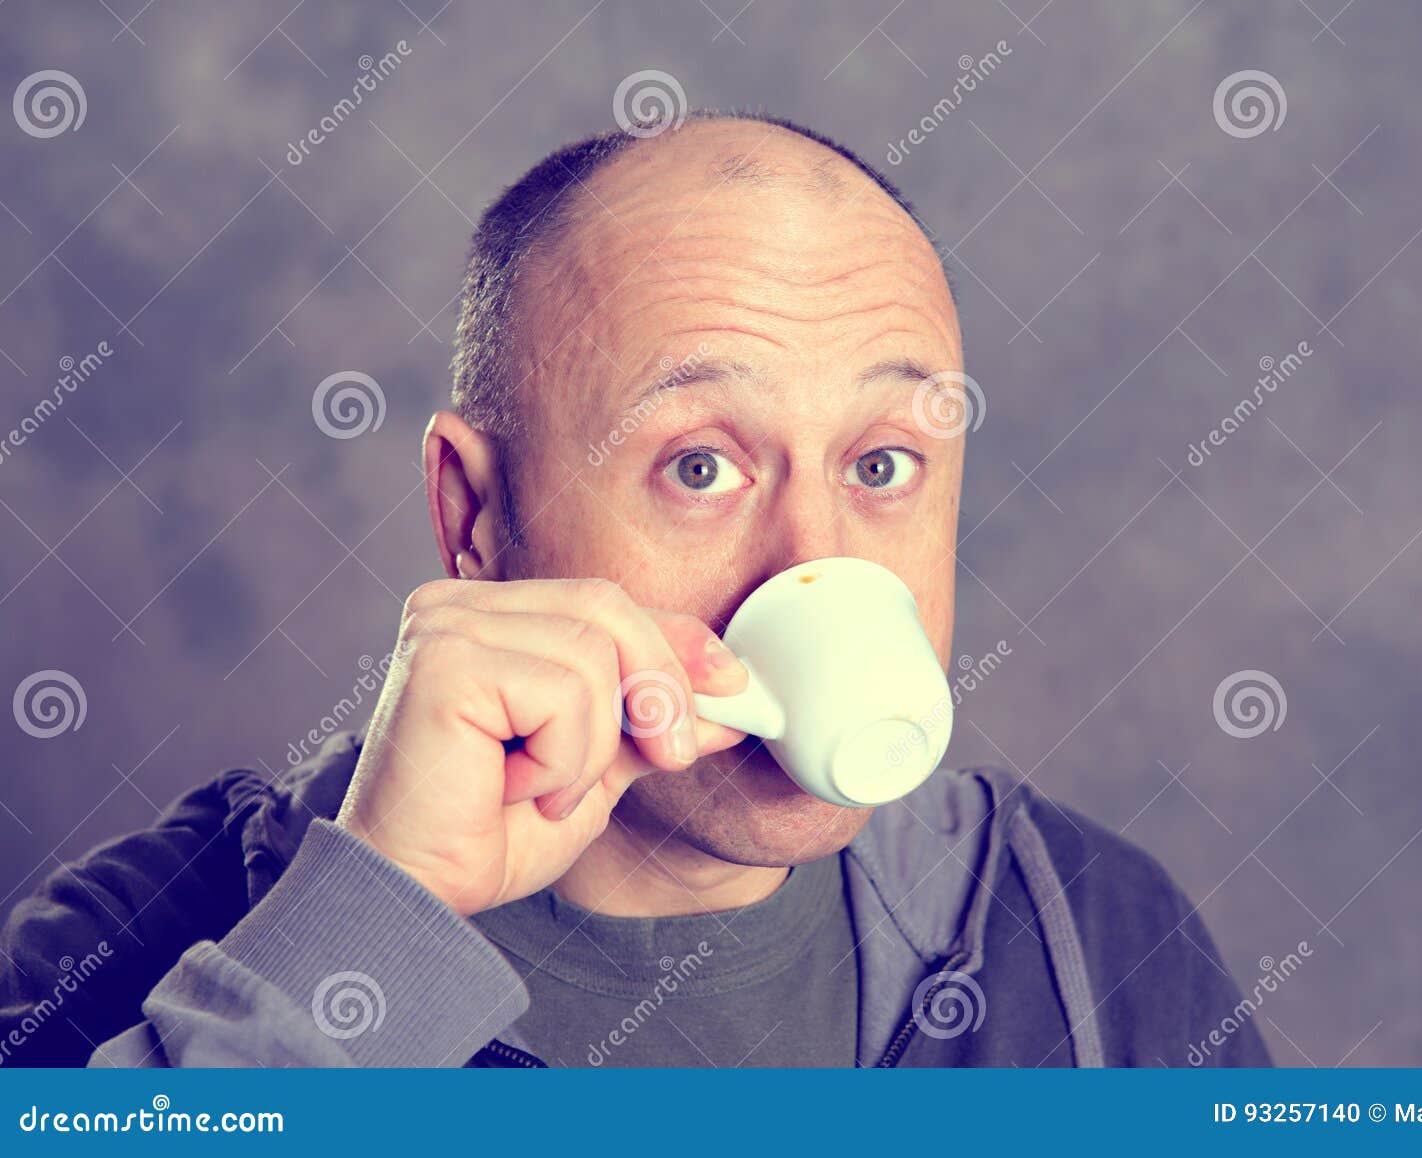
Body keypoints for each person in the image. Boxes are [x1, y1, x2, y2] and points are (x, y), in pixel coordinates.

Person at [0, 110, 1268, 1068]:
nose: (815, 562)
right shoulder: (128, 947)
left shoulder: (1092, 937)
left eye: (880, 464)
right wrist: (367, 939)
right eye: (699, 466)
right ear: (475, 515)